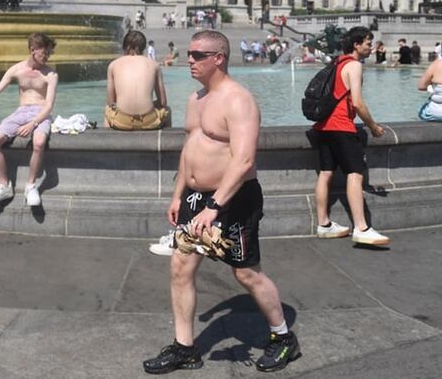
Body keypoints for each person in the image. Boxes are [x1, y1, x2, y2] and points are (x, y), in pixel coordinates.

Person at [142, 30, 300, 374]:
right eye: (190, 53)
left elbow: (243, 160)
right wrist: (178, 193)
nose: (190, 60)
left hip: (233, 198)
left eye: (199, 55)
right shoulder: (195, 99)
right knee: (181, 266)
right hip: (196, 197)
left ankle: (283, 337)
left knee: (245, 273)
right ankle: (185, 348)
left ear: (219, 58)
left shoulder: (238, 100)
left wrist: (214, 208)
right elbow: (190, 149)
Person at [309, 27, 389, 246]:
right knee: (355, 174)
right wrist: (372, 127)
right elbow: (357, 103)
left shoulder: (337, 62)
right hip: (342, 126)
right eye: (367, 42)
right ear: (356, 44)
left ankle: (323, 224)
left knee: (326, 173)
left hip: (323, 126)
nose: (370, 46)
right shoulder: (353, 65)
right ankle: (361, 227)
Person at [0, 33, 58, 208]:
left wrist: (33, 123)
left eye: (49, 53)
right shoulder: (16, 69)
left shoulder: (51, 74)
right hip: (21, 112)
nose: (47, 57)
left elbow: (49, 106)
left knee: (39, 143)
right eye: (45, 53)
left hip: (41, 113)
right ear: (33, 50)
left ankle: (31, 185)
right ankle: (4, 185)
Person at [105, 30, 170, 131]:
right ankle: (165, 142)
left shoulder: (113, 65)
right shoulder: (154, 65)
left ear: (126, 47)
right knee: (167, 110)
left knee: (107, 111)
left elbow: (111, 102)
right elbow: (163, 102)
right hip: (149, 120)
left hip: (122, 121)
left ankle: (108, 143)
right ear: (143, 47)